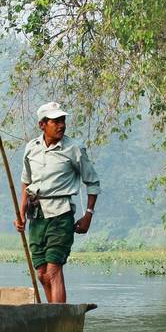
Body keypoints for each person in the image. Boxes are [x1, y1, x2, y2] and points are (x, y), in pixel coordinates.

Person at [14, 101, 101, 303]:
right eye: (56, 121)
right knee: (42, 273)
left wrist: (88, 214)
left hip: (61, 216)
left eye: (63, 120)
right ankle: (52, 312)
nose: (61, 125)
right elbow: (26, 182)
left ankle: (58, 317)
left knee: (53, 269)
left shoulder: (74, 149)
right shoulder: (31, 148)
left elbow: (93, 182)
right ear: (42, 125)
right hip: (36, 215)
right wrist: (20, 214)